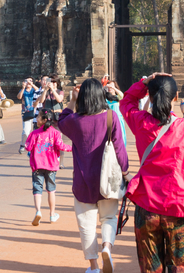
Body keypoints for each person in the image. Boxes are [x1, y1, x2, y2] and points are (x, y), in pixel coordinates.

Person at [121, 73, 184, 273]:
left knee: (150, 268)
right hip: (179, 206)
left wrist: (144, 82)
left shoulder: (141, 122)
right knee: (180, 267)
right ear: (176, 97)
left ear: (149, 97)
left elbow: (126, 101)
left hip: (147, 205)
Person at [58, 79, 128, 273]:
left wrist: (72, 101)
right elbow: (120, 149)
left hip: (83, 181)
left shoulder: (74, 121)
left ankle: (94, 267)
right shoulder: (110, 117)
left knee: (86, 226)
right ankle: (107, 247)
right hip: (107, 180)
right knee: (108, 218)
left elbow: (61, 120)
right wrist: (126, 172)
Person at [25, 108, 71, 226]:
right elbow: (61, 146)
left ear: (44, 120)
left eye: (38, 117)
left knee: (37, 190)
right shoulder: (55, 133)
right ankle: (52, 214)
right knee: (51, 190)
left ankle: (38, 212)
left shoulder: (35, 133)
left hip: (37, 166)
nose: (36, 118)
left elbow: (28, 147)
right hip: (51, 166)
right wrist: (73, 148)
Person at [18, 77, 41, 154]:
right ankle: (22, 144)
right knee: (26, 131)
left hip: (35, 112)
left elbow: (38, 90)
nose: (28, 82)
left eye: (30, 81)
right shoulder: (23, 90)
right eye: (26, 81)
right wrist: (23, 88)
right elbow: (19, 97)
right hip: (26, 112)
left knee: (36, 131)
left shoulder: (34, 90)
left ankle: (32, 147)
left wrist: (32, 84)